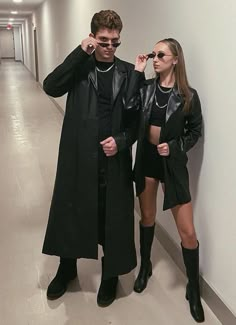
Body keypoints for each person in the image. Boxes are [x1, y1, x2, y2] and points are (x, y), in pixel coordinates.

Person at [42, 10, 141, 307]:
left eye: (115, 42)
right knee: (73, 208)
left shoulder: (128, 72)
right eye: (103, 41)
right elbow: (50, 86)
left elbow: (136, 120)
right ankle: (67, 268)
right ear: (92, 38)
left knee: (112, 216)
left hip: (113, 159)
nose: (110, 48)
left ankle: (110, 275)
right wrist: (79, 53)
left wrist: (122, 141)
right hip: (78, 154)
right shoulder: (80, 68)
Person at [126, 38, 205, 322]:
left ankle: (193, 288)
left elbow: (195, 132)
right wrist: (137, 71)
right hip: (146, 160)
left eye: (160, 55)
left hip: (171, 165)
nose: (154, 58)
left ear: (175, 60)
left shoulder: (188, 96)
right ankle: (145, 266)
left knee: (187, 231)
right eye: (153, 54)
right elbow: (128, 105)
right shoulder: (146, 88)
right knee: (147, 218)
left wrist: (174, 147)